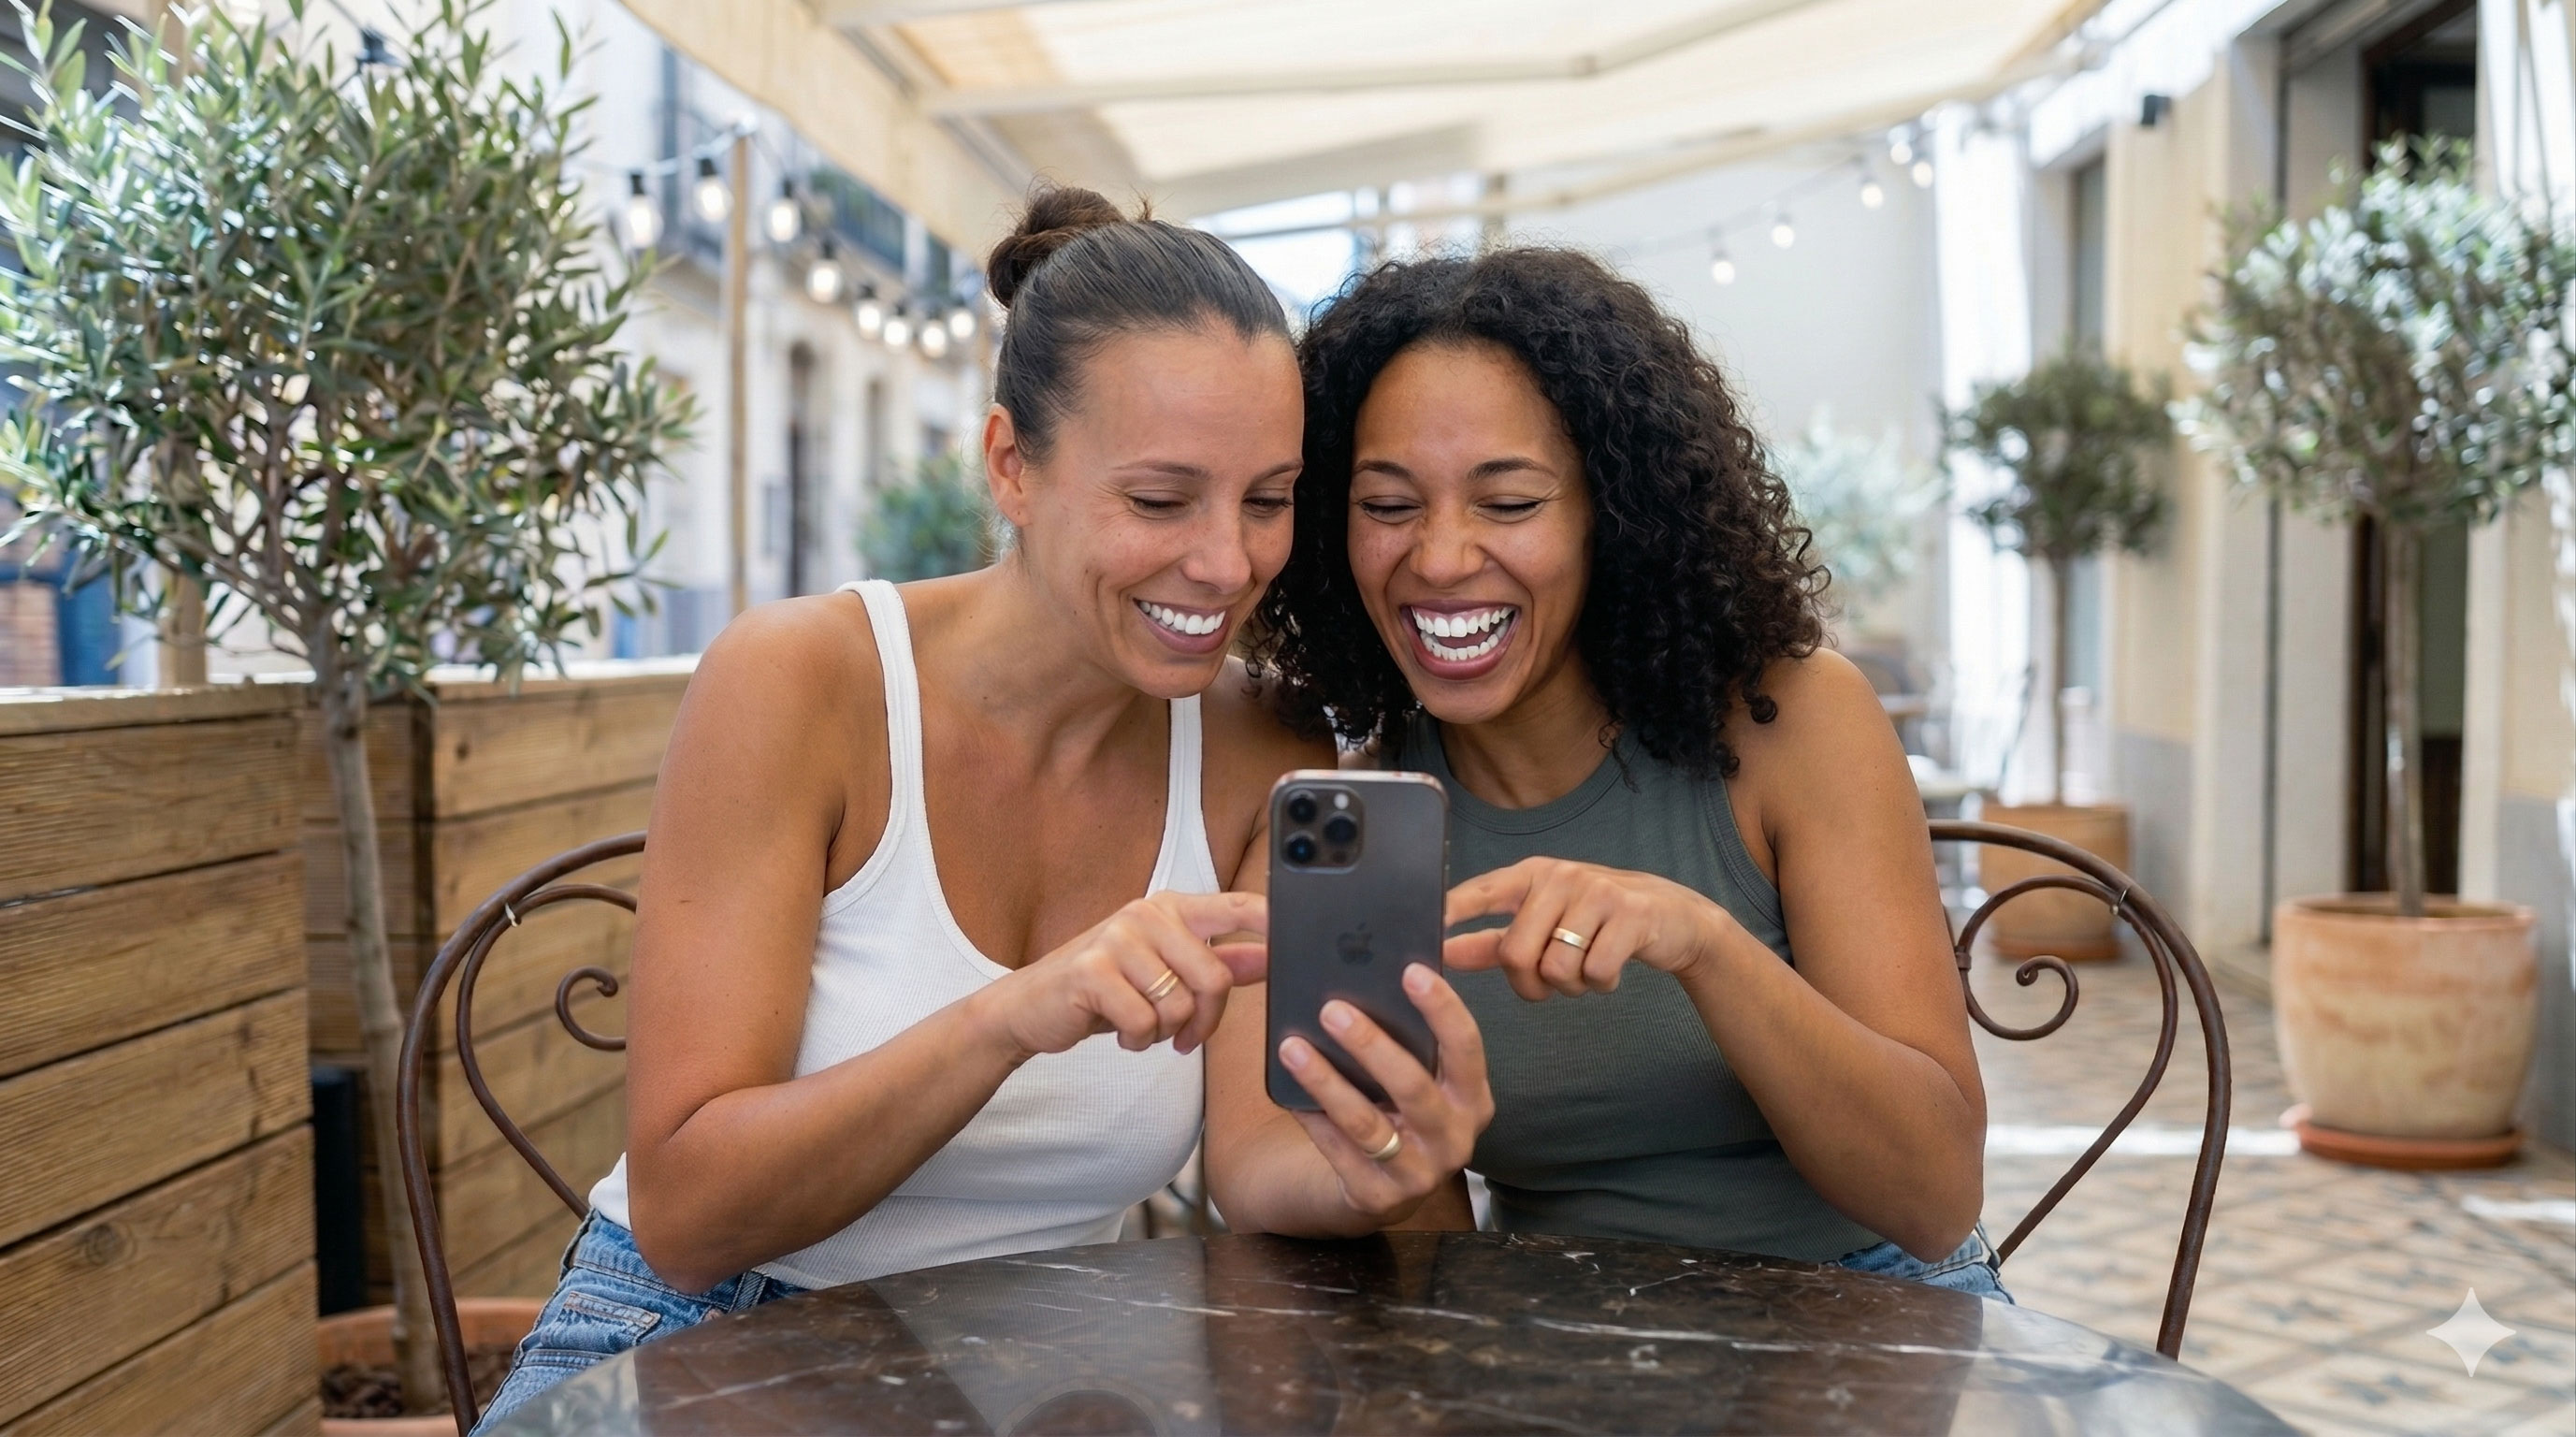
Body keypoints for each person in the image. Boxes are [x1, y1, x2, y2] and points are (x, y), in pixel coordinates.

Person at [478, 188, 1474, 1431]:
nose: (1227, 563)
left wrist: (1389, 1149)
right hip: (698, 1335)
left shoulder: (1255, 751)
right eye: (1161, 502)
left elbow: (1257, 1169)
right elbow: (686, 1218)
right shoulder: (804, 680)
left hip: (1032, 1371)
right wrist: (1016, 1012)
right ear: (1011, 464)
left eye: (1266, 500)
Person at [1240, 247, 2003, 1295]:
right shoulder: (1376, 816)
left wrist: (1705, 944)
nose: (1444, 557)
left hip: (1864, 1306)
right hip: (1556, 1336)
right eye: (1387, 505)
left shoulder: (1795, 718)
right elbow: (1427, 1236)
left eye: (1508, 504)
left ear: (1614, 512)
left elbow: (1932, 1196)